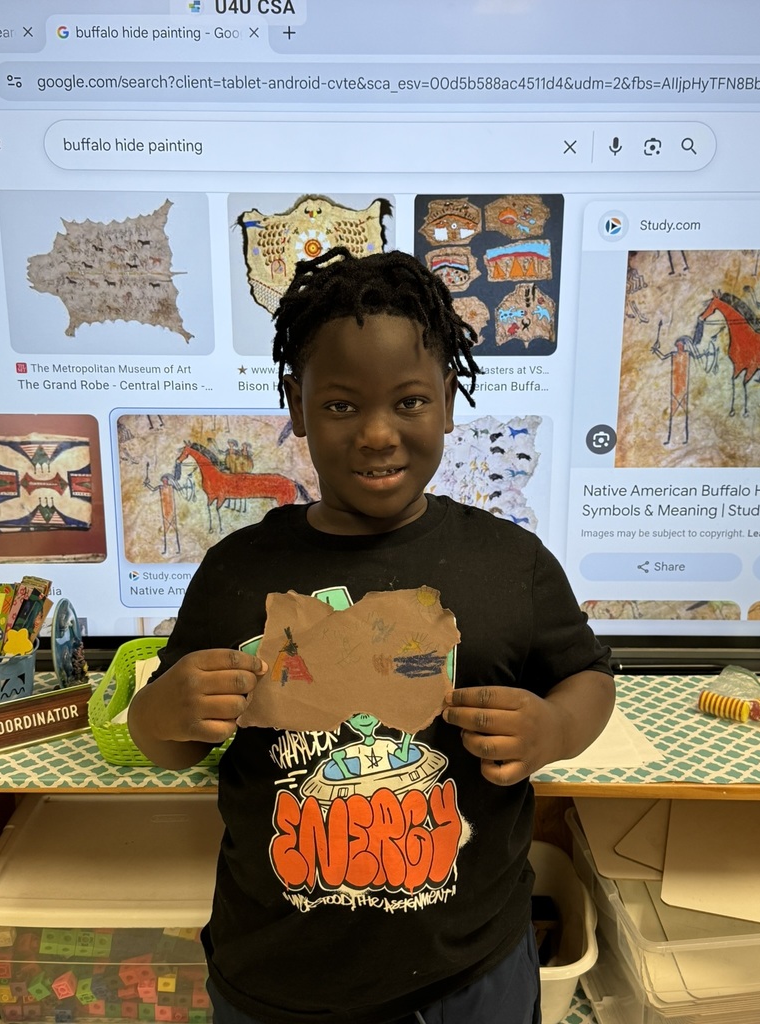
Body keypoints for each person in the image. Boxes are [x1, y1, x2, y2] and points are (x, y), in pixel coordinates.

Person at [128, 248, 615, 1024]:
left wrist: (555, 727)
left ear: (449, 401)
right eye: (341, 406)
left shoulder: (510, 563)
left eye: (410, 401)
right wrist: (160, 713)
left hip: (470, 974)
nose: (378, 434)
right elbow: (171, 742)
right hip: (274, 982)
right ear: (297, 406)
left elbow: (588, 676)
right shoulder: (237, 571)